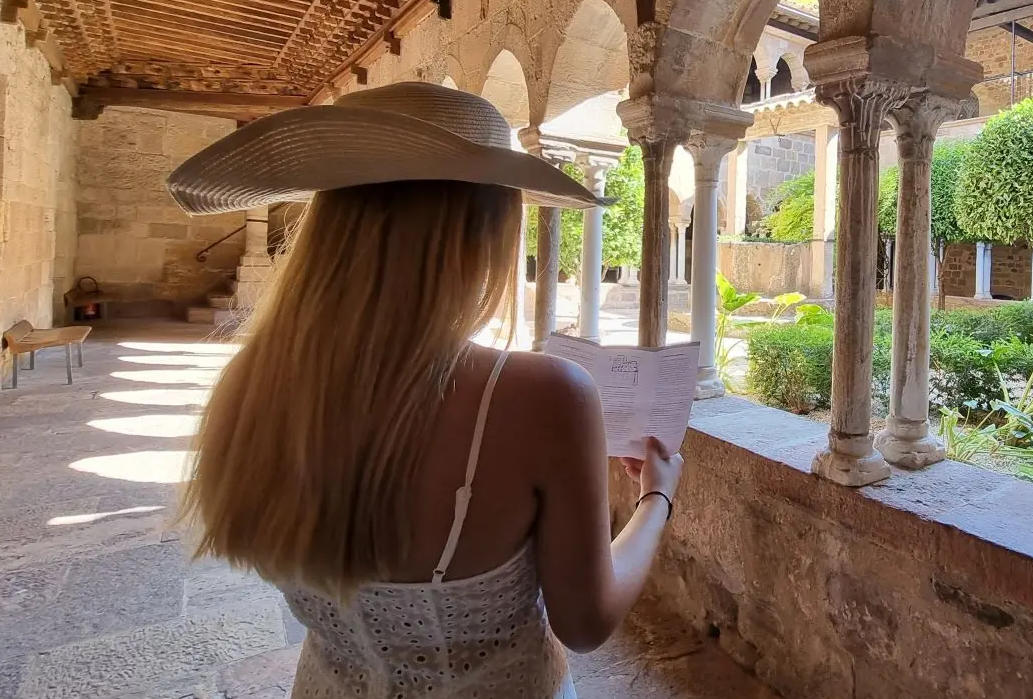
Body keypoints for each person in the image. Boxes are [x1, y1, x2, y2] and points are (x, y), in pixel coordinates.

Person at [168, 82, 684, 698]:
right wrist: (657, 501)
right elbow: (586, 621)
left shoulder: (255, 385)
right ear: (486, 231)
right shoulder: (544, 397)